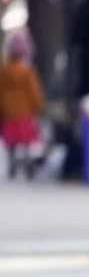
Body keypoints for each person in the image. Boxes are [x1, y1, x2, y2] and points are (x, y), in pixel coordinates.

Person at [0, 32, 45, 180]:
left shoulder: (4, 72)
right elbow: (34, 91)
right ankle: (27, 164)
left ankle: (12, 164)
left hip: (9, 112)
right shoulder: (27, 72)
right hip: (25, 112)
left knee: (11, 142)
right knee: (26, 141)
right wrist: (38, 106)